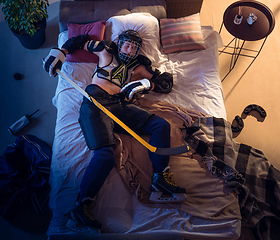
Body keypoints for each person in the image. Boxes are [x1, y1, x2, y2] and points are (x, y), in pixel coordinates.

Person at [43, 30, 187, 233]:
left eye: (134, 47)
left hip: (120, 106)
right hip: (96, 103)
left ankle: (160, 180)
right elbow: (80, 40)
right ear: (120, 44)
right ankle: (81, 207)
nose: (129, 50)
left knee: (161, 125)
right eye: (127, 45)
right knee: (104, 157)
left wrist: (147, 83)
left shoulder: (140, 67)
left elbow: (166, 82)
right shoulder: (105, 51)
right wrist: (60, 51)